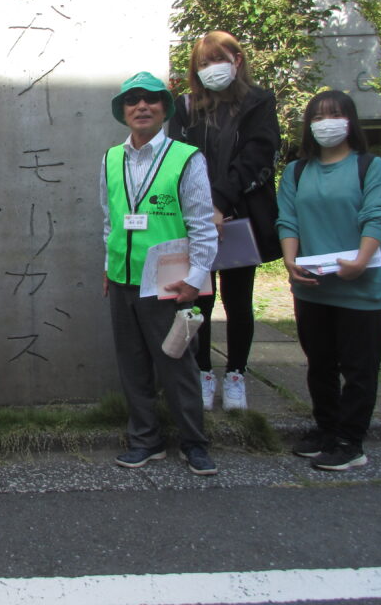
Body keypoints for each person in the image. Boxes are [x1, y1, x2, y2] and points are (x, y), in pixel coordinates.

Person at [101, 72, 219, 476]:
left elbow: (202, 224)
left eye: (151, 99)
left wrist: (196, 278)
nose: (142, 106)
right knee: (132, 365)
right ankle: (145, 440)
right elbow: (109, 219)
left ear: (164, 109)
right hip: (123, 279)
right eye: (132, 100)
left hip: (168, 283)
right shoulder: (110, 159)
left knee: (176, 363)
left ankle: (194, 443)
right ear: (123, 111)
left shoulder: (186, 158)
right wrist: (108, 266)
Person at [277, 89, 381, 471]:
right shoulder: (297, 171)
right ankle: (326, 429)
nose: (326, 123)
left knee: (359, 369)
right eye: (318, 116)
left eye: (334, 115)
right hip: (313, 287)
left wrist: (361, 260)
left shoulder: (370, 166)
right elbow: (288, 219)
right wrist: (290, 260)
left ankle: (350, 441)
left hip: (362, 286)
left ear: (350, 121)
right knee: (320, 364)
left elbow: (378, 214)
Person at [169, 30, 281, 412]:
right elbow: (179, 160)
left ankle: (236, 373)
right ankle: (203, 371)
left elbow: (256, 157)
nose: (211, 68)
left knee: (239, 300)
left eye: (218, 59)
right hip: (194, 218)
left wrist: (219, 203)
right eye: (203, 63)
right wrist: (202, 210)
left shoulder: (259, 102)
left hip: (239, 217)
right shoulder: (184, 107)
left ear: (237, 60)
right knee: (199, 296)